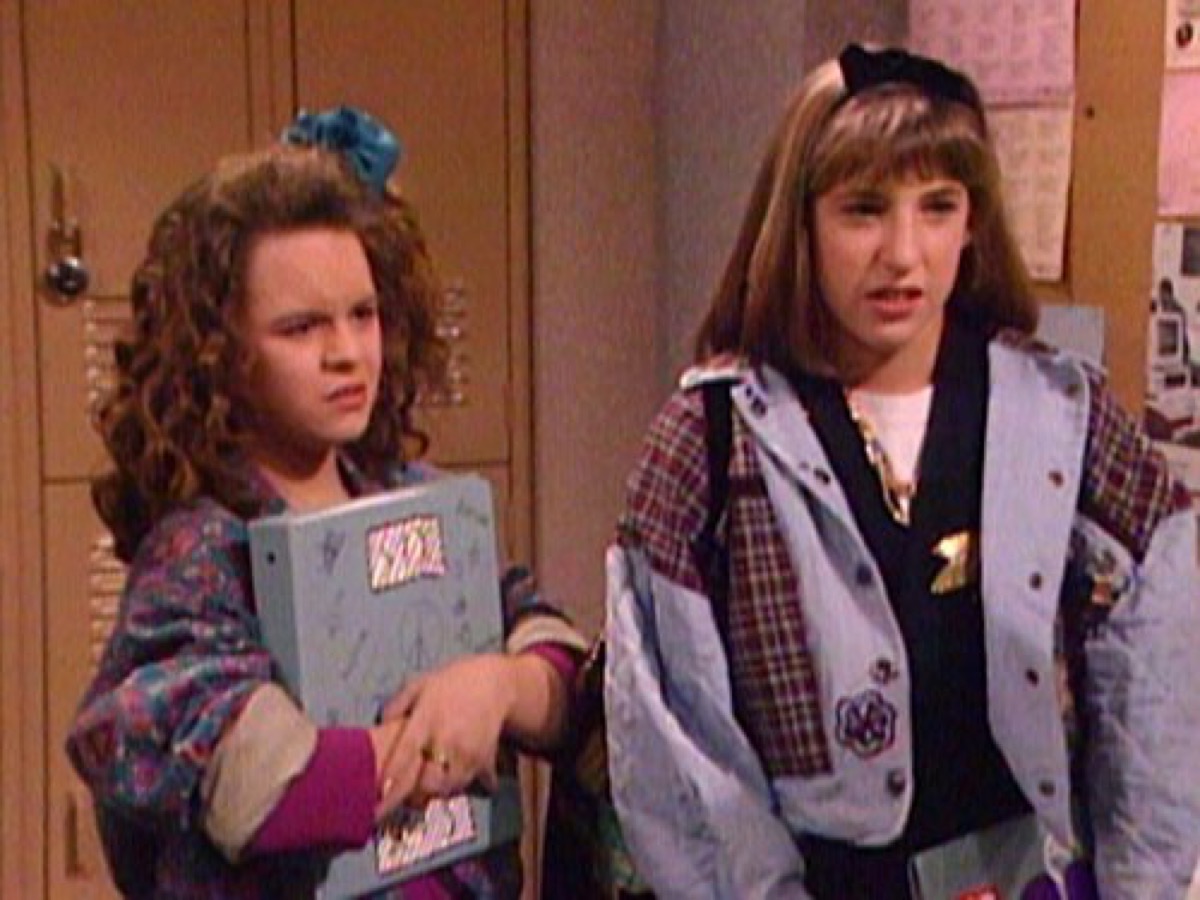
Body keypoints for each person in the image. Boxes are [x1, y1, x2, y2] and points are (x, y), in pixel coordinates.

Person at [605, 44, 1200, 899]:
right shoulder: (710, 440)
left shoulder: (1057, 412)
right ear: (801, 221)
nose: (903, 253)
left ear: (974, 222)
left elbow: (1159, 659)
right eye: (864, 210)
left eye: (938, 207)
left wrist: (1142, 884)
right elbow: (677, 748)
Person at [66, 107, 586, 898]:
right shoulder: (200, 551)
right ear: (220, 353)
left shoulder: (418, 499)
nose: (346, 353)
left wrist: (498, 688)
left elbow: (566, 676)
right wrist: (427, 747)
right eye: (302, 327)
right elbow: (241, 774)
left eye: (362, 315)